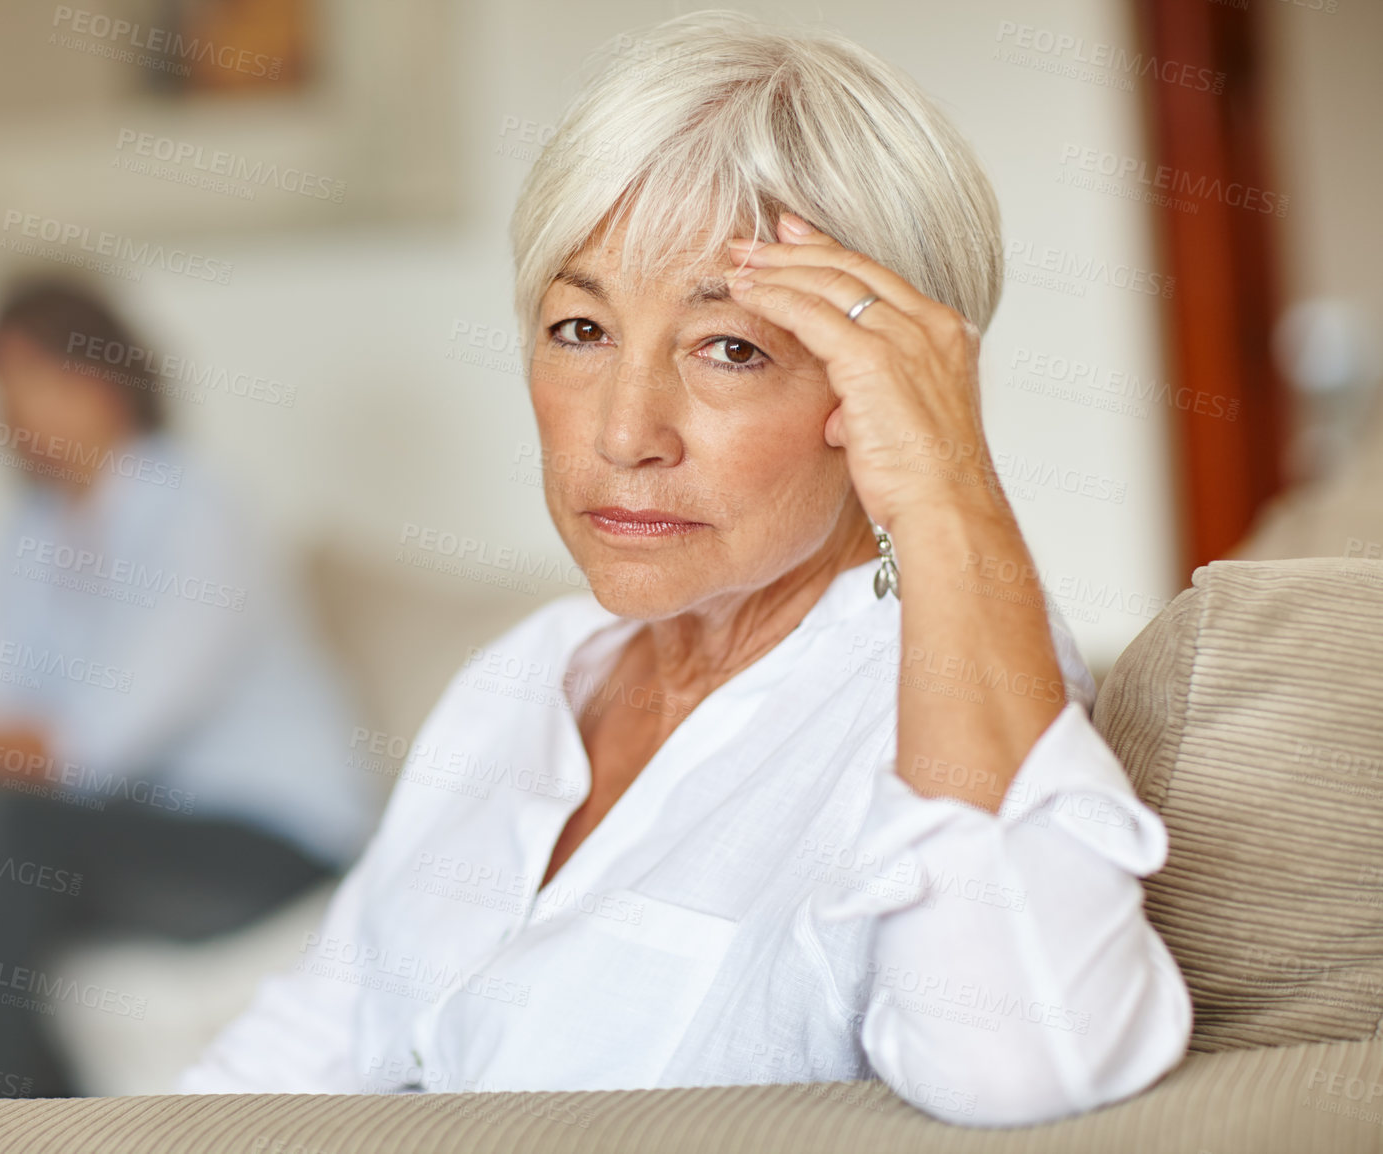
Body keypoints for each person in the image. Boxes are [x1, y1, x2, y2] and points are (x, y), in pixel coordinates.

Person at [177, 14, 1192, 1128]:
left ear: (883, 391)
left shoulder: (943, 691)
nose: (624, 430)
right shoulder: (530, 669)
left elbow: (1020, 1059)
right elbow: (298, 1048)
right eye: (578, 328)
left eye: (731, 347)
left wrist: (949, 489)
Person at [0, 277, 379, 1098]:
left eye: (41, 380)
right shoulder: (26, 534)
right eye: (4, 389)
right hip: (117, 834)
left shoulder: (195, 509)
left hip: (262, 842)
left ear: (107, 378)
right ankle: (34, 1081)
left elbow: (90, 751)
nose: (18, 412)